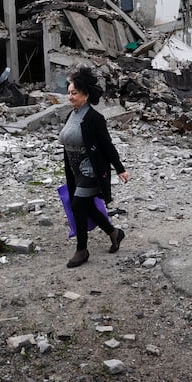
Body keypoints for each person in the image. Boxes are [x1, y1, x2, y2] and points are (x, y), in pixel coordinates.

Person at [59, 67, 129, 268]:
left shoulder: (94, 118)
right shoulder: (71, 115)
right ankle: (114, 233)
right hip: (75, 171)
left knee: (78, 205)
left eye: (74, 93)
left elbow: (107, 145)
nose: (70, 97)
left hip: (91, 169)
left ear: (86, 95)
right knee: (87, 206)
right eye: (69, 93)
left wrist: (120, 168)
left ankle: (82, 250)